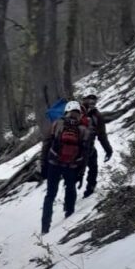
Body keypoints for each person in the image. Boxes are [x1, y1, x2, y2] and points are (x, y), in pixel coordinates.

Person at [40, 101, 90, 235]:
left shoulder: (57, 123)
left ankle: (45, 228)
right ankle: (69, 215)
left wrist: (43, 164)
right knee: (70, 188)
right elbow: (85, 153)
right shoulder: (84, 129)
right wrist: (81, 172)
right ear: (79, 113)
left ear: (66, 111)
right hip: (71, 165)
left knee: (50, 195)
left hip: (54, 163)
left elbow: (46, 144)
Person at [79, 92, 113, 197]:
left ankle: (69, 199)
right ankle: (90, 188)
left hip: (73, 147)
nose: (92, 101)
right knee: (93, 167)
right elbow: (102, 136)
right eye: (90, 99)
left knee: (74, 172)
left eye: (93, 99)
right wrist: (108, 150)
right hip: (88, 147)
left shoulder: (74, 111)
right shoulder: (97, 115)